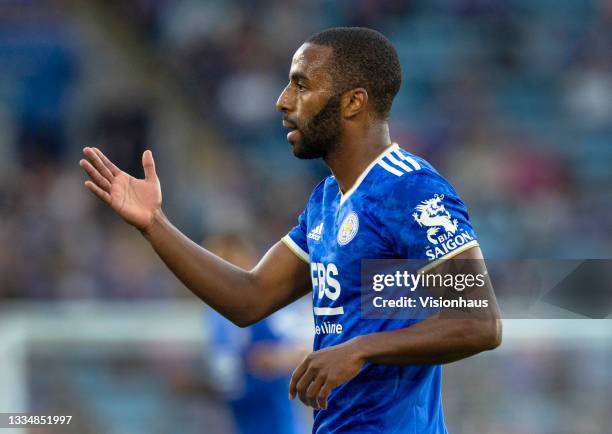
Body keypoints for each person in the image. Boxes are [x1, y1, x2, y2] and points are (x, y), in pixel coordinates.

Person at [80, 27, 502, 434]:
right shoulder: (325, 201)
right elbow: (249, 297)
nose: (283, 102)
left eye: (301, 86)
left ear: (354, 101)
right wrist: (154, 224)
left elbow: (479, 323)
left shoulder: (409, 188)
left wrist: (357, 350)